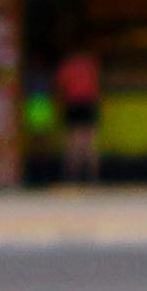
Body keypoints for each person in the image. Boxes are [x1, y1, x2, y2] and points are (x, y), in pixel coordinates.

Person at [51, 43, 105, 187]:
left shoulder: (67, 64)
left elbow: (59, 87)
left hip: (72, 104)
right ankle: (92, 177)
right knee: (91, 143)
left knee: (72, 143)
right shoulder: (90, 64)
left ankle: (72, 177)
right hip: (89, 104)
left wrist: (59, 105)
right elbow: (98, 86)